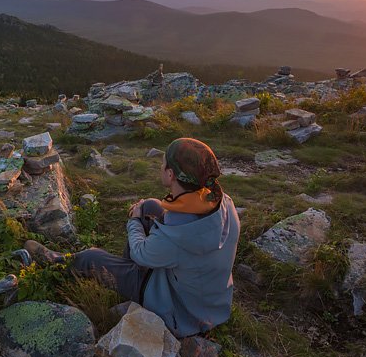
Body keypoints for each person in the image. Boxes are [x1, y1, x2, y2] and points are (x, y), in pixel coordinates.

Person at [25, 137, 239, 338]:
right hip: (208, 299)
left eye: (163, 163)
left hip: (180, 311)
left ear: (171, 174)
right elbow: (177, 227)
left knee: (92, 257)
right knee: (151, 206)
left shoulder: (177, 239)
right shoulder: (223, 202)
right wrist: (145, 210)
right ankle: (128, 271)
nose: (160, 166)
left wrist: (134, 221)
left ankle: (58, 263)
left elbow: (140, 253)